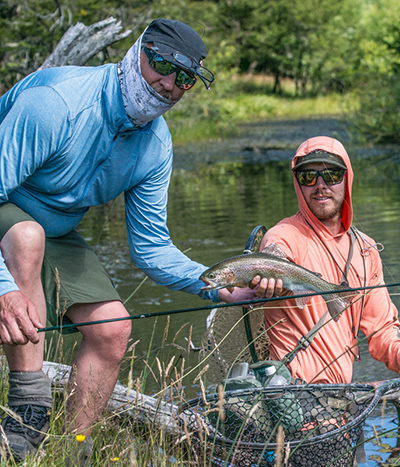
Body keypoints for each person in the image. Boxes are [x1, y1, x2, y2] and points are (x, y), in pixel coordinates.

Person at [0, 18, 272, 464]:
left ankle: (75, 450)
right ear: (136, 52)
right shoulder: (57, 104)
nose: (168, 83)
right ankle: (28, 414)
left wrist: (216, 285)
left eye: (184, 77)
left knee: (113, 328)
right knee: (27, 236)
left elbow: (151, 248)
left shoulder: (155, 145)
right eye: (161, 64)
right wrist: (5, 290)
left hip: (56, 229)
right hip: (7, 205)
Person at [254, 136, 400, 387]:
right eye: (308, 176)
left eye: (331, 175)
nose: (320, 185)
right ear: (298, 184)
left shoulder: (365, 249)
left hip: (341, 402)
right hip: (292, 401)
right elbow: (275, 253)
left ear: (347, 178)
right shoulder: (284, 235)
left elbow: (380, 328)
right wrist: (269, 277)